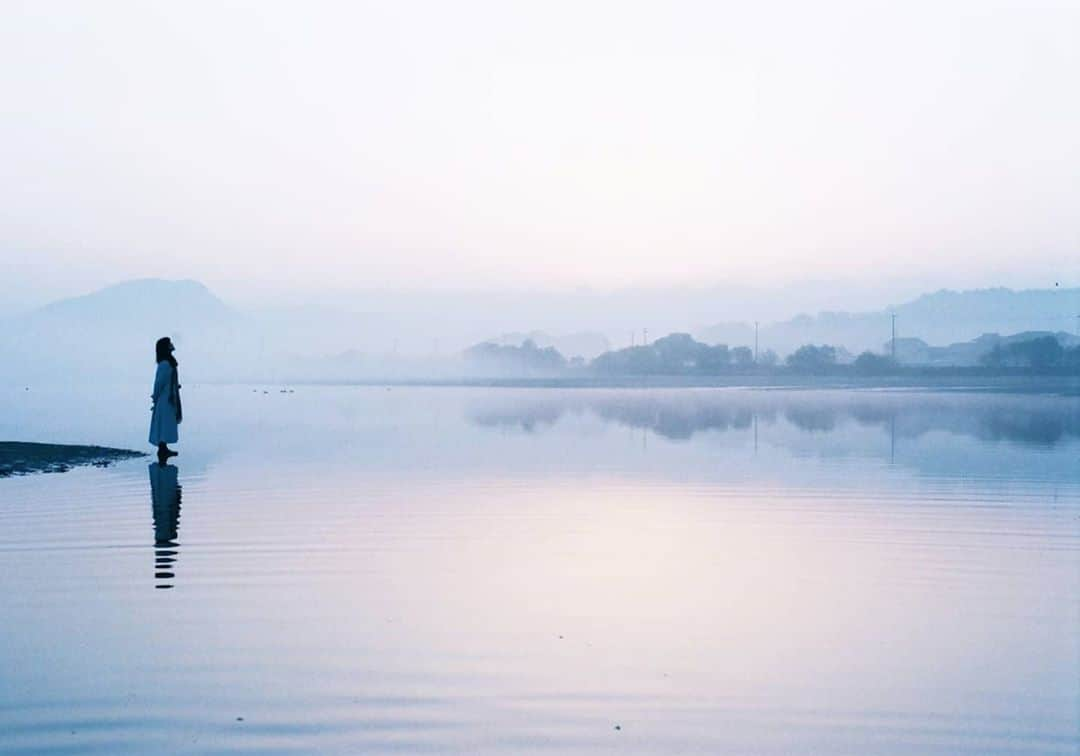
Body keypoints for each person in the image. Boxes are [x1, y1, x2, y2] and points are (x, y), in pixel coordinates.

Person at [149, 337, 182, 462]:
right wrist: (155, 397)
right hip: (164, 399)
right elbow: (158, 383)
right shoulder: (165, 364)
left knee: (165, 423)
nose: (172, 345)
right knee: (163, 423)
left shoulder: (168, 363)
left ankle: (164, 449)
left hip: (169, 397)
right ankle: (162, 449)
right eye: (169, 344)